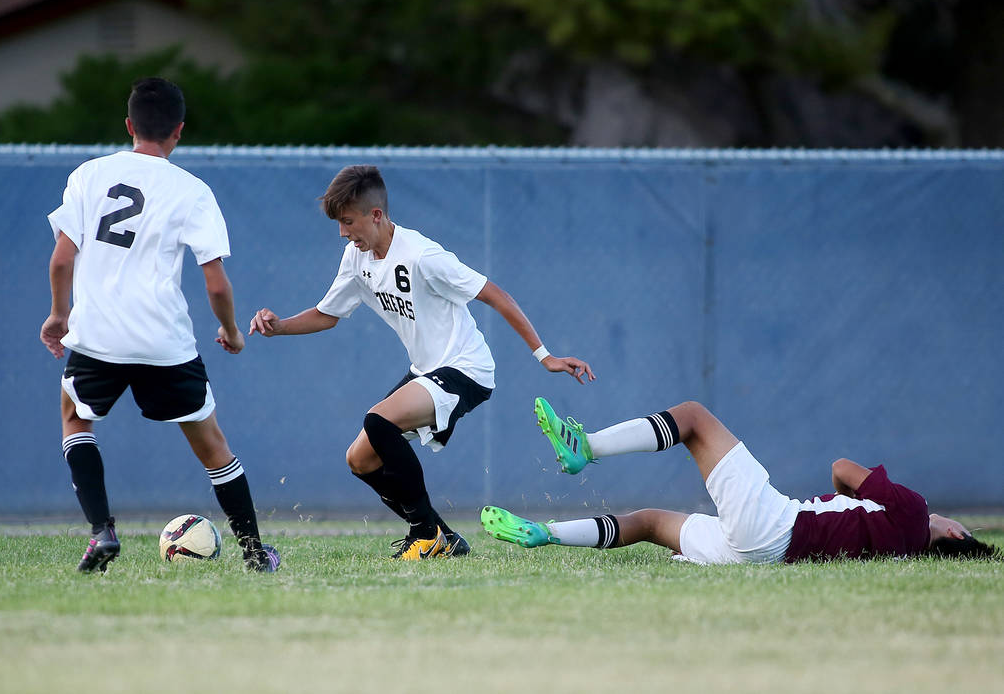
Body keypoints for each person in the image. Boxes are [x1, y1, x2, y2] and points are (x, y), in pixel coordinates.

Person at [248, 165, 595, 560]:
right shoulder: (355, 257)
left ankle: (425, 534)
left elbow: (495, 295)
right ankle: (445, 539)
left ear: (376, 215)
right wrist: (280, 327)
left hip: (467, 369)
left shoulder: (423, 256)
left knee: (377, 421)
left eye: (348, 222)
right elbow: (328, 314)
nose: (343, 233)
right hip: (427, 371)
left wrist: (544, 355)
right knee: (359, 459)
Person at [41, 77, 279, 573]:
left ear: (129, 126)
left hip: (99, 336)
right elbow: (215, 284)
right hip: (163, 342)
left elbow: (62, 260)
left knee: (75, 418)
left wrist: (59, 315)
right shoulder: (192, 190)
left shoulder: (88, 175)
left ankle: (101, 529)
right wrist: (232, 331)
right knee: (212, 446)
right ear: (178, 132)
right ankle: (255, 551)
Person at [482, 398, 1000, 563]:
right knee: (650, 522)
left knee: (692, 417)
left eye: (958, 526)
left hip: (776, 525)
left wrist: (851, 497)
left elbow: (843, 469)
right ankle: (545, 533)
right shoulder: (902, 551)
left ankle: (586, 448)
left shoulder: (915, 512)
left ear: (954, 533)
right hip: (761, 554)